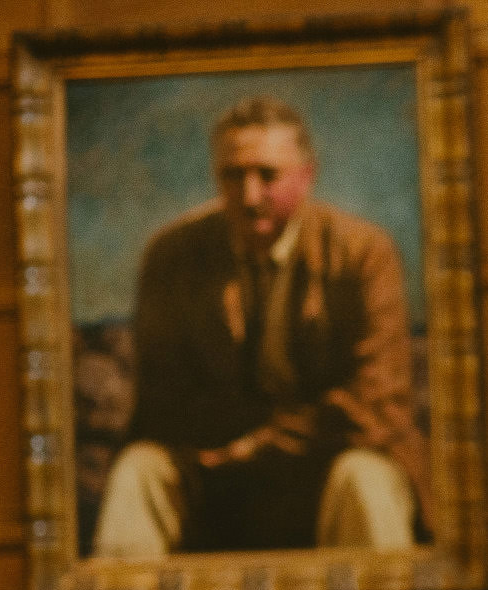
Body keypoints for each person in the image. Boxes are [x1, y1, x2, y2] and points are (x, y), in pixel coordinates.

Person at [93, 95, 427, 556]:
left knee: (367, 480)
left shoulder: (363, 253)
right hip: (213, 470)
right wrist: (226, 451)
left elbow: (377, 403)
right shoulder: (172, 256)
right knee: (139, 470)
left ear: (306, 176)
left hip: (329, 460)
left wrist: (260, 444)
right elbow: (161, 401)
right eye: (233, 176)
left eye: (268, 176)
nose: (250, 197)